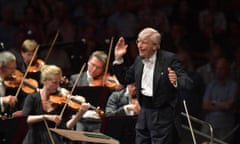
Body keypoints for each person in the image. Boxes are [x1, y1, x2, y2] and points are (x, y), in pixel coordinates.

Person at [113, 27, 193, 144]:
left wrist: (176, 81)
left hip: (162, 114)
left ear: (155, 46)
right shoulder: (138, 60)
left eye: (144, 42)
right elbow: (124, 79)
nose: (139, 45)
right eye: (138, 41)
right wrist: (118, 58)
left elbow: (188, 82)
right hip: (143, 111)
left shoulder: (169, 59)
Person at [22, 64, 90, 144]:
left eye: (59, 82)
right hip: (33, 139)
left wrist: (80, 113)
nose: (58, 86)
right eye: (54, 82)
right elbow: (25, 119)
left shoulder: (60, 102)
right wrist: (45, 117)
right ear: (44, 81)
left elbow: (66, 127)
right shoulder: (32, 98)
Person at [69, 50, 123, 134]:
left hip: (99, 120)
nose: (94, 70)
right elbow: (71, 102)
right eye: (93, 65)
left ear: (103, 69)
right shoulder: (75, 79)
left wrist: (118, 87)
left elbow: (117, 96)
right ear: (88, 62)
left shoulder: (107, 81)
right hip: (80, 118)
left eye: (98, 67)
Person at [202, 58, 238, 143]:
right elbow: (205, 105)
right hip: (209, 124)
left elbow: (229, 105)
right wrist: (222, 104)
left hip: (224, 125)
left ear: (227, 70)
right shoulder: (211, 85)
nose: (218, 71)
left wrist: (213, 103)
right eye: (217, 68)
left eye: (221, 69)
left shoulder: (233, 86)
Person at [0, 51, 18, 116]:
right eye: (11, 68)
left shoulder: (6, 81)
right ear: (1, 68)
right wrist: (3, 100)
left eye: (15, 68)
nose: (14, 72)